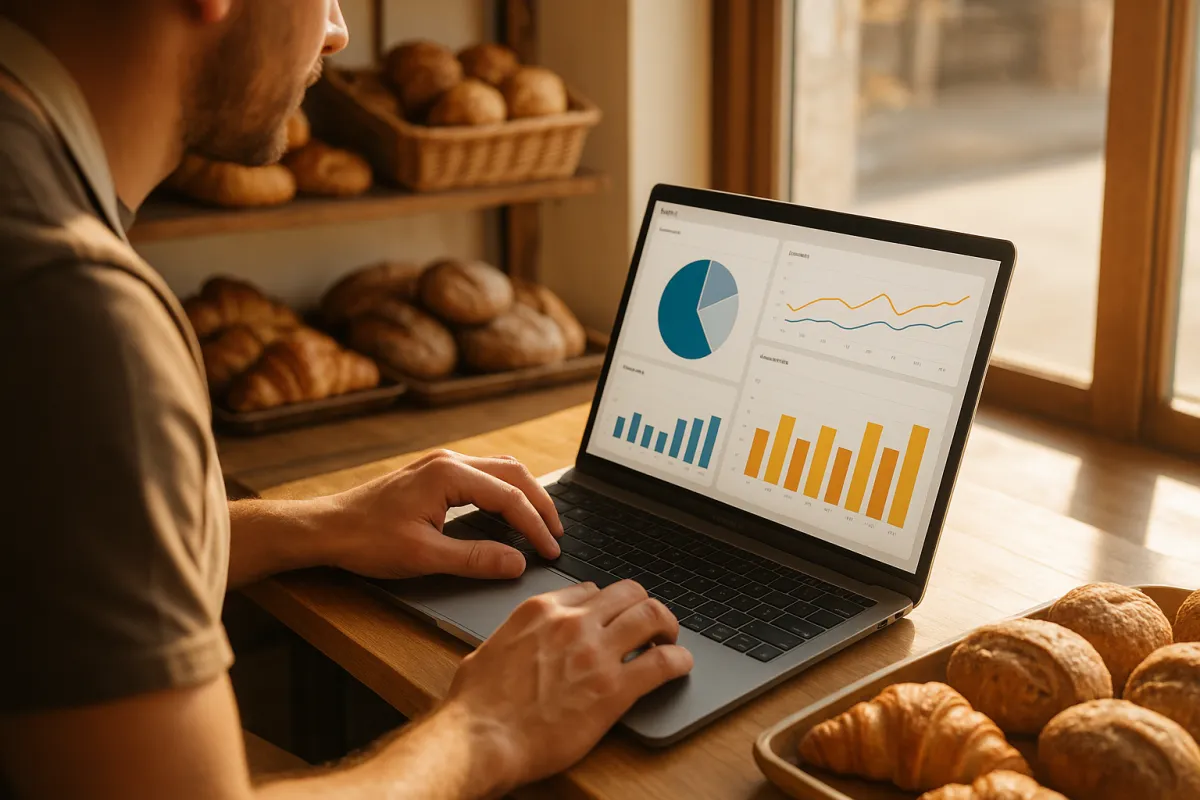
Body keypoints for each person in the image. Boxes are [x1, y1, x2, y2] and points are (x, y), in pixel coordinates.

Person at [0, 2, 694, 798]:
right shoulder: (70, 301)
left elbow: (51, 539)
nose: (338, 30)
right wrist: (484, 730)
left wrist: (319, 522)